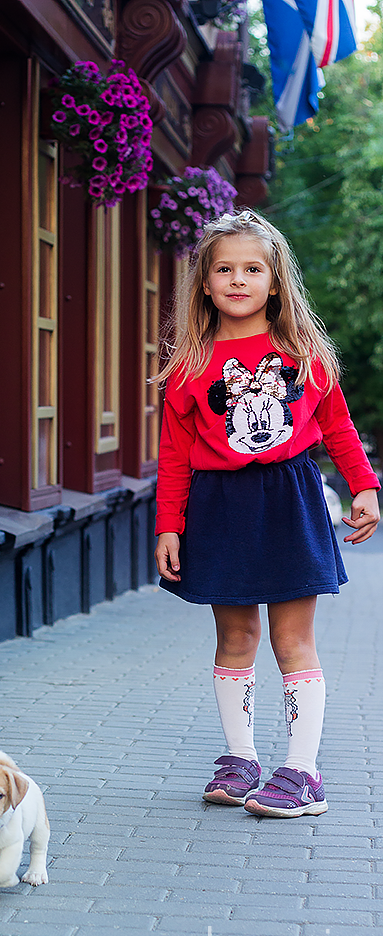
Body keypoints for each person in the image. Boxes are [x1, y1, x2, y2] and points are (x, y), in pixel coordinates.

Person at [154, 210, 379, 817]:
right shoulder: (190, 360)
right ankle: (241, 759)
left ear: (275, 280)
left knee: (292, 640)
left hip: (289, 500)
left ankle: (303, 774)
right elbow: (175, 452)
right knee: (234, 635)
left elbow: (336, 424)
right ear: (203, 282)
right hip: (219, 506)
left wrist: (364, 486)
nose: (237, 280)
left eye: (252, 269)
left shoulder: (302, 351)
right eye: (223, 269)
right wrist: (169, 525)